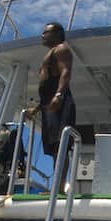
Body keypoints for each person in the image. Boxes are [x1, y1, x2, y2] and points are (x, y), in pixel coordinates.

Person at [32, 22, 76, 191]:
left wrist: (59, 95)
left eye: (46, 32)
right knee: (53, 147)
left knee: (61, 145)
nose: (42, 35)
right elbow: (47, 86)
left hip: (60, 104)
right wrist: (37, 108)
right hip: (48, 105)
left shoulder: (61, 49)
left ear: (57, 34)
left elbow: (65, 72)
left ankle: (59, 188)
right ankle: (56, 187)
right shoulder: (51, 53)